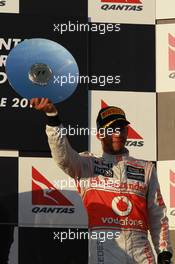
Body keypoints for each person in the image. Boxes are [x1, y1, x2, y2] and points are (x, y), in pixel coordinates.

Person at [30, 98, 173, 264]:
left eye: (121, 128)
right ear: (99, 134)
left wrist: (164, 253)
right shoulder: (87, 165)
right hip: (103, 256)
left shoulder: (146, 169)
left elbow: (158, 215)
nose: (117, 134)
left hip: (142, 257)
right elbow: (62, 156)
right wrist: (52, 117)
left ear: (127, 131)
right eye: (110, 129)